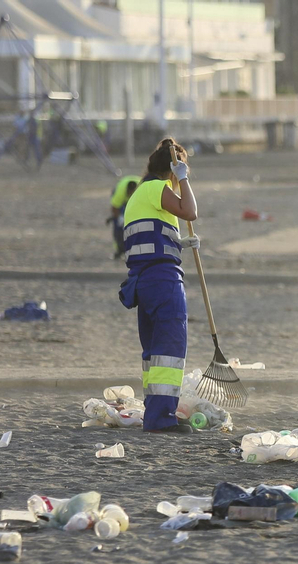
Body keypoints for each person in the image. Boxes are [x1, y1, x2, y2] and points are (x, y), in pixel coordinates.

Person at [116, 138, 201, 432]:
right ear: (173, 168)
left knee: (154, 353)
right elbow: (190, 211)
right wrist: (184, 178)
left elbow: (151, 238)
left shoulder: (139, 195)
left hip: (144, 281)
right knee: (169, 349)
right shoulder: (157, 189)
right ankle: (161, 419)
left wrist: (180, 242)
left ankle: (155, 414)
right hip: (163, 280)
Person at [107, 173, 142, 259]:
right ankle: (119, 249)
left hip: (138, 198)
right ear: (128, 192)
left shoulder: (142, 189)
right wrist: (120, 218)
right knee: (118, 224)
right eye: (130, 194)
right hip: (121, 195)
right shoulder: (120, 193)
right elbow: (114, 208)